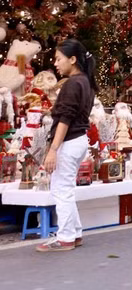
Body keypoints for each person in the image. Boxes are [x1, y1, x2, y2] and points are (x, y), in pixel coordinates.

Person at [37, 39, 96, 252]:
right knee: (66, 188)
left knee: (62, 190)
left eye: (58, 58)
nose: (55, 63)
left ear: (72, 59)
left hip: (69, 141)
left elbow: (65, 118)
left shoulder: (72, 84)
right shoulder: (86, 82)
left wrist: (53, 150)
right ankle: (75, 232)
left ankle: (66, 237)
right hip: (78, 140)